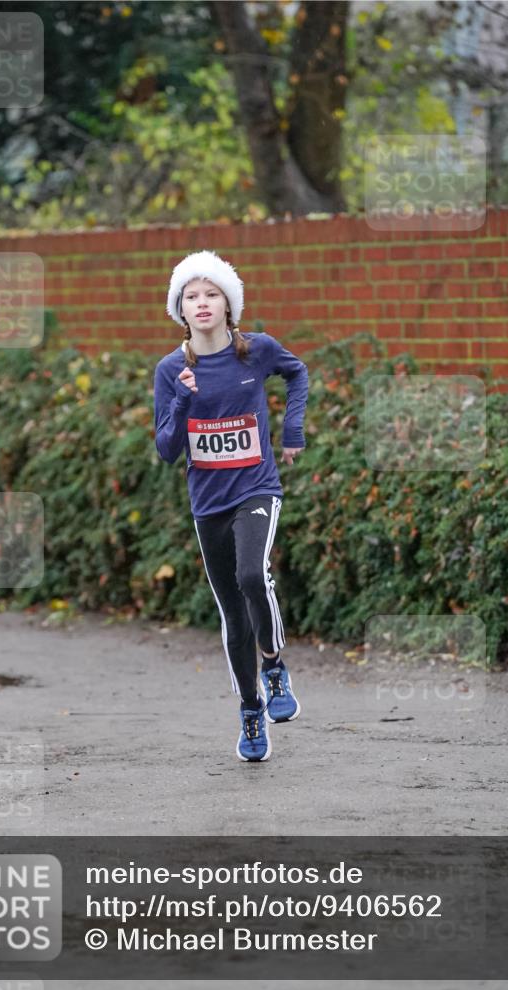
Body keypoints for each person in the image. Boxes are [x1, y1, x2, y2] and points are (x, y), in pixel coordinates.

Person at [153, 250, 309, 762]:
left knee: (250, 575)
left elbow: (297, 372)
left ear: (228, 305)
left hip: (256, 488)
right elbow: (167, 449)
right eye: (191, 296)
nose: (201, 303)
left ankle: (275, 666)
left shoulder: (256, 352)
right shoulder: (171, 369)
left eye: (211, 294)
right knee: (232, 616)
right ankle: (250, 710)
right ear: (180, 309)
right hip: (208, 503)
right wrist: (181, 399)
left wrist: (292, 430)